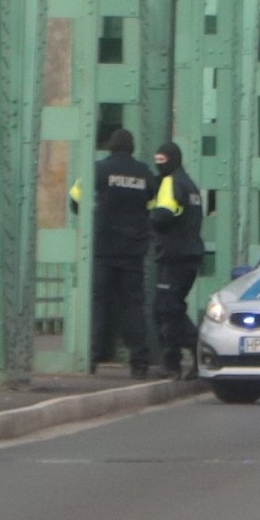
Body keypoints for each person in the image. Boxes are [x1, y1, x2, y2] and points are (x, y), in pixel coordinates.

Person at [90, 129, 157, 379]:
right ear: (132, 148)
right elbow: (156, 203)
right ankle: (139, 361)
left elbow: (76, 199)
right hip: (133, 250)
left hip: (103, 248)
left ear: (110, 147)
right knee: (133, 305)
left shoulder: (98, 169)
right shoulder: (143, 172)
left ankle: (92, 357)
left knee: (99, 303)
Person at [151, 142, 204, 380]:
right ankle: (185, 356)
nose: (159, 166)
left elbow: (162, 217)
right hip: (190, 254)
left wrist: (148, 213)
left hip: (174, 255)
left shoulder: (171, 183)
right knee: (172, 306)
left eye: (162, 161)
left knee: (166, 307)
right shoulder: (190, 185)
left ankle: (183, 355)